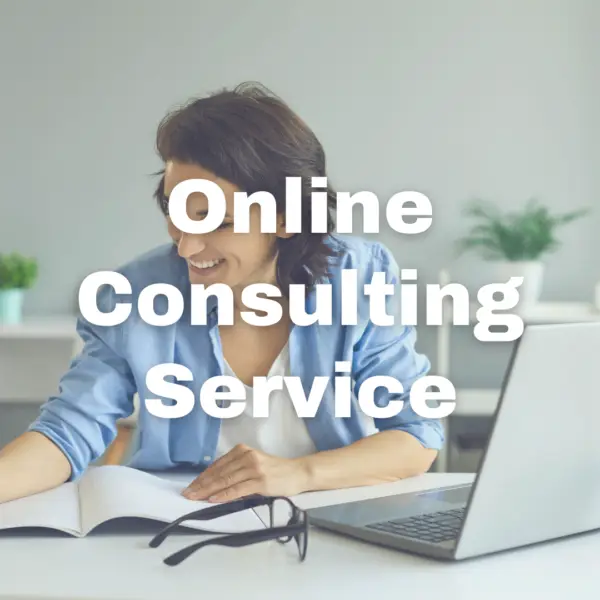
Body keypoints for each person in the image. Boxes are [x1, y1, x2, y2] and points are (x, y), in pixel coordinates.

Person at [0, 82, 444, 505]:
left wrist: (297, 474)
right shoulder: (134, 294)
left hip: (326, 532)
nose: (187, 246)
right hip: (172, 534)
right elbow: (67, 432)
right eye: (177, 213)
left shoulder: (358, 276)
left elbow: (417, 434)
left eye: (217, 222)